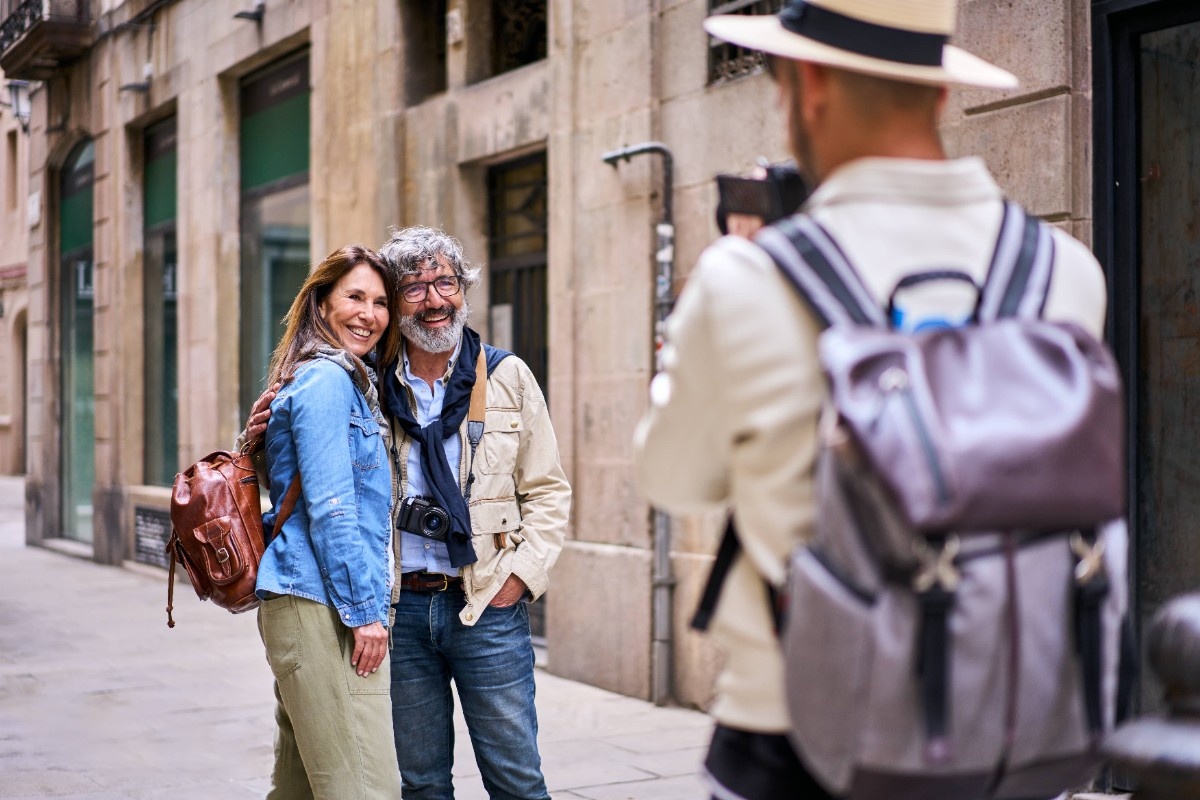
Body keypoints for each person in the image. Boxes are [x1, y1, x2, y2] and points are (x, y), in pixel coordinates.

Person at [631, 2, 1109, 799]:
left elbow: (672, 481)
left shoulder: (745, 278)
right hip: (1014, 735)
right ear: (941, 94)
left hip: (797, 737)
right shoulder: (1064, 272)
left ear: (810, 85)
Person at [376, 225, 570, 800]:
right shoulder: (371, 385)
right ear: (394, 303)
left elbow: (548, 490)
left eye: (446, 282)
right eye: (415, 288)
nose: (435, 300)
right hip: (401, 611)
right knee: (422, 784)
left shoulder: (506, 375)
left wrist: (519, 578)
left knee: (516, 780)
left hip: (486, 604)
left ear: (463, 289)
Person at [254, 245, 404, 799]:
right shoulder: (327, 382)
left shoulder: (337, 380)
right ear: (321, 302)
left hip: (306, 600)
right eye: (355, 297)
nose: (369, 314)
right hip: (323, 607)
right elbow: (333, 509)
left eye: (381, 302)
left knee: (299, 788)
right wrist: (365, 614)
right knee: (366, 789)